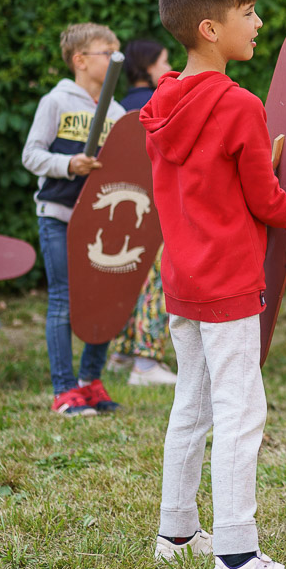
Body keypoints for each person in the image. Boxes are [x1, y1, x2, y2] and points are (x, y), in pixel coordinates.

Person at [141, 0, 286, 569]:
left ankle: (175, 534)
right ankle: (236, 560)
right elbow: (268, 205)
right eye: (249, 13)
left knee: (193, 402)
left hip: (183, 276)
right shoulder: (237, 104)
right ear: (210, 28)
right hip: (229, 280)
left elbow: (209, 181)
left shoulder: (162, 101)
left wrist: (261, 159)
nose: (259, 23)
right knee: (240, 412)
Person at [22, 23, 126, 417]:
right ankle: (64, 389)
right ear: (80, 60)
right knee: (64, 301)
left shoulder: (117, 113)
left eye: (118, 51)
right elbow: (31, 155)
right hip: (59, 216)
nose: (116, 58)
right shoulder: (56, 101)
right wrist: (68, 164)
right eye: (106, 51)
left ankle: (89, 382)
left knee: (103, 301)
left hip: (100, 225)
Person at [108, 38, 177, 386]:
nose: (168, 68)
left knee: (130, 278)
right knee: (159, 282)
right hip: (159, 209)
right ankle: (146, 362)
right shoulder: (160, 105)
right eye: (164, 61)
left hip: (127, 208)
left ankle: (120, 353)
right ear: (149, 67)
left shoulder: (118, 107)